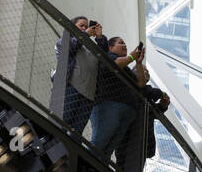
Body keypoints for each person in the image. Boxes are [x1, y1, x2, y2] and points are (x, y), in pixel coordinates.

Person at [90, 36, 142, 164]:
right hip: (108, 106)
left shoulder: (126, 68)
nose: (124, 45)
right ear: (110, 48)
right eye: (120, 43)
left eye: (125, 43)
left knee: (108, 149)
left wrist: (139, 62)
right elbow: (114, 65)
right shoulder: (108, 57)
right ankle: (85, 165)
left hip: (125, 111)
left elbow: (140, 83)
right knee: (100, 142)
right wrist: (131, 57)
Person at [55, 15, 100, 134]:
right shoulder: (64, 41)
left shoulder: (91, 48)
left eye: (86, 26)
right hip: (72, 88)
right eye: (81, 26)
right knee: (62, 125)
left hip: (88, 97)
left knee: (76, 133)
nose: (84, 28)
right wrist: (85, 35)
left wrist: (100, 37)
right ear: (73, 27)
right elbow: (68, 48)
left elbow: (104, 58)